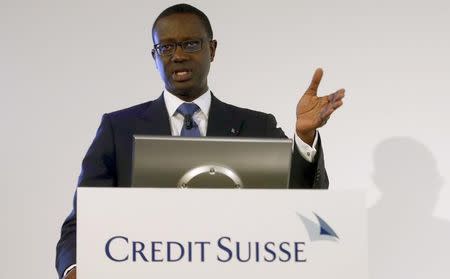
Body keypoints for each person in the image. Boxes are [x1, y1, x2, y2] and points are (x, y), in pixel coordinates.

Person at [55, 3, 345, 279]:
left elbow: (302, 201)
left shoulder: (256, 126)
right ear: (154, 56)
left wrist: (305, 136)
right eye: (166, 47)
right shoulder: (118, 129)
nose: (177, 55)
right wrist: (74, 269)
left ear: (212, 49)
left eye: (190, 44)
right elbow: (81, 221)